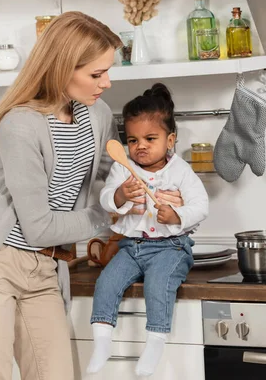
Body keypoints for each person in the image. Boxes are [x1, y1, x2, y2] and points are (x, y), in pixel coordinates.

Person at [0, 12, 181, 380]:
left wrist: (154, 184)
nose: (107, 83)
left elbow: (104, 178)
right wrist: (112, 212)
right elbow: (40, 228)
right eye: (96, 74)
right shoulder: (20, 125)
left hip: (47, 268)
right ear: (62, 68)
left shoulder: (96, 114)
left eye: (107, 71)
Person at [87, 83, 210, 377]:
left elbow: (201, 206)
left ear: (170, 140)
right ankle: (102, 341)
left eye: (150, 138)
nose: (140, 146)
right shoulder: (123, 168)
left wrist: (177, 214)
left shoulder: (181, 171)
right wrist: (120, 196)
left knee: (158, 286)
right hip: (131, 247)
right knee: (105, 284)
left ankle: (155, 342)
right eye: (133, 139)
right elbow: (105, 198)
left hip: (171, 248)